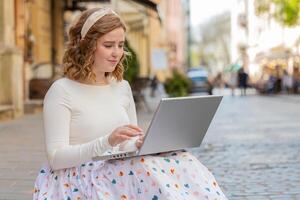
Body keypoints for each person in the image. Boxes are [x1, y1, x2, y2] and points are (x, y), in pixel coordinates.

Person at [33, 8, 227, 200]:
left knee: (183, 160)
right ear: (86, 46)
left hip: (115, 169)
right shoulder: (62, 91)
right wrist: (107, 141)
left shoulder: (122, 87)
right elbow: (56, 159)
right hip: (77, 177)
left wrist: (139, 143)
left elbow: (127, 142)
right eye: (108, 45)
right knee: (145, 169)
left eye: (120, 45)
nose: (117, 53)